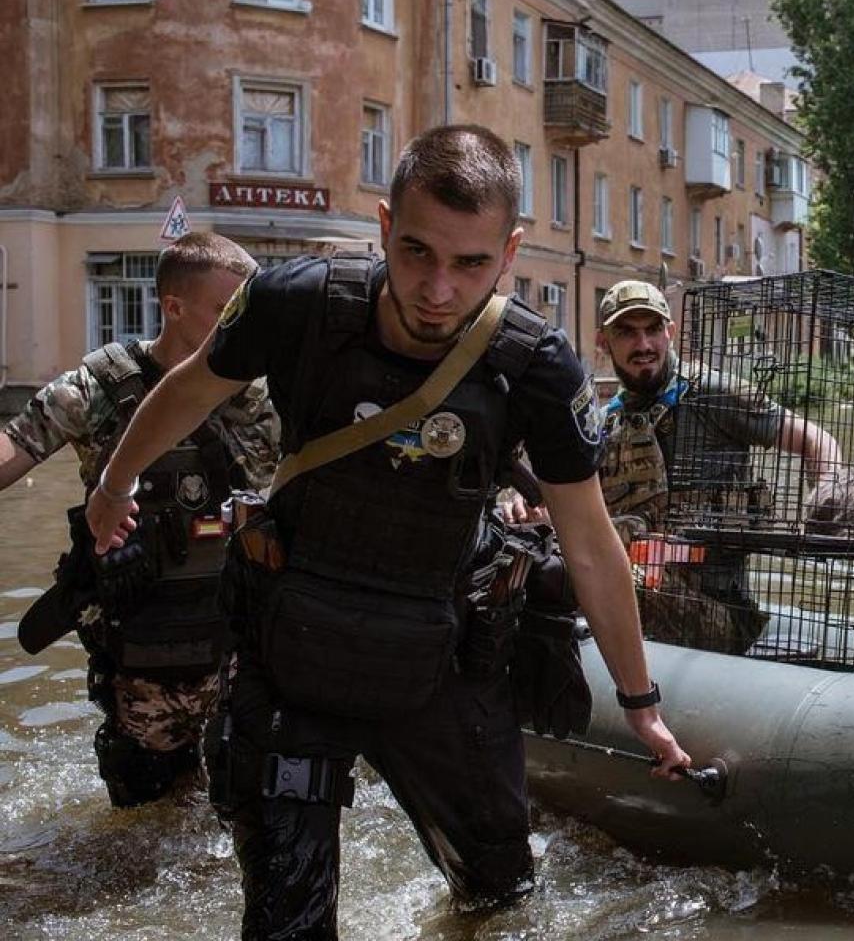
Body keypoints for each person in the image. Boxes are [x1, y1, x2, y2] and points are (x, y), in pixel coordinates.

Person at [83, 125, 689, 936]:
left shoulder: (537, 367)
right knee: (287, 924)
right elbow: (191, 388)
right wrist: (113, 485)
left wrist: (640, 701)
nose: (438, 288)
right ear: (383, 225)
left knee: (500, 898)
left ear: (509, 252)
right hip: (292, 645)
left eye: (470, 263)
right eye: (417, 253)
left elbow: (588, 540)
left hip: (440, 653)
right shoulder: (297, 302)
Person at [0, 232, 273, 807]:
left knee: (246, 811)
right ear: (173, 307)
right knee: (144, 825)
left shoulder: (267, 400)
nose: (241, 326)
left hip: (241, 652)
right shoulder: (99, 389)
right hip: (144, 657)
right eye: (226, 310)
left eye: (247, 311)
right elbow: (14, 446)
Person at [592, 279, 840, 655]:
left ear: (670, 332)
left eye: (653, 330)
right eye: (626, 333)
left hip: (718, 610)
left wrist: (827, 500)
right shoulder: (605, 424)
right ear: (603, 341)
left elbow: (815, 440)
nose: (643, 345)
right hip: (637, 594)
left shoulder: (716, 394)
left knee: (621, 578)